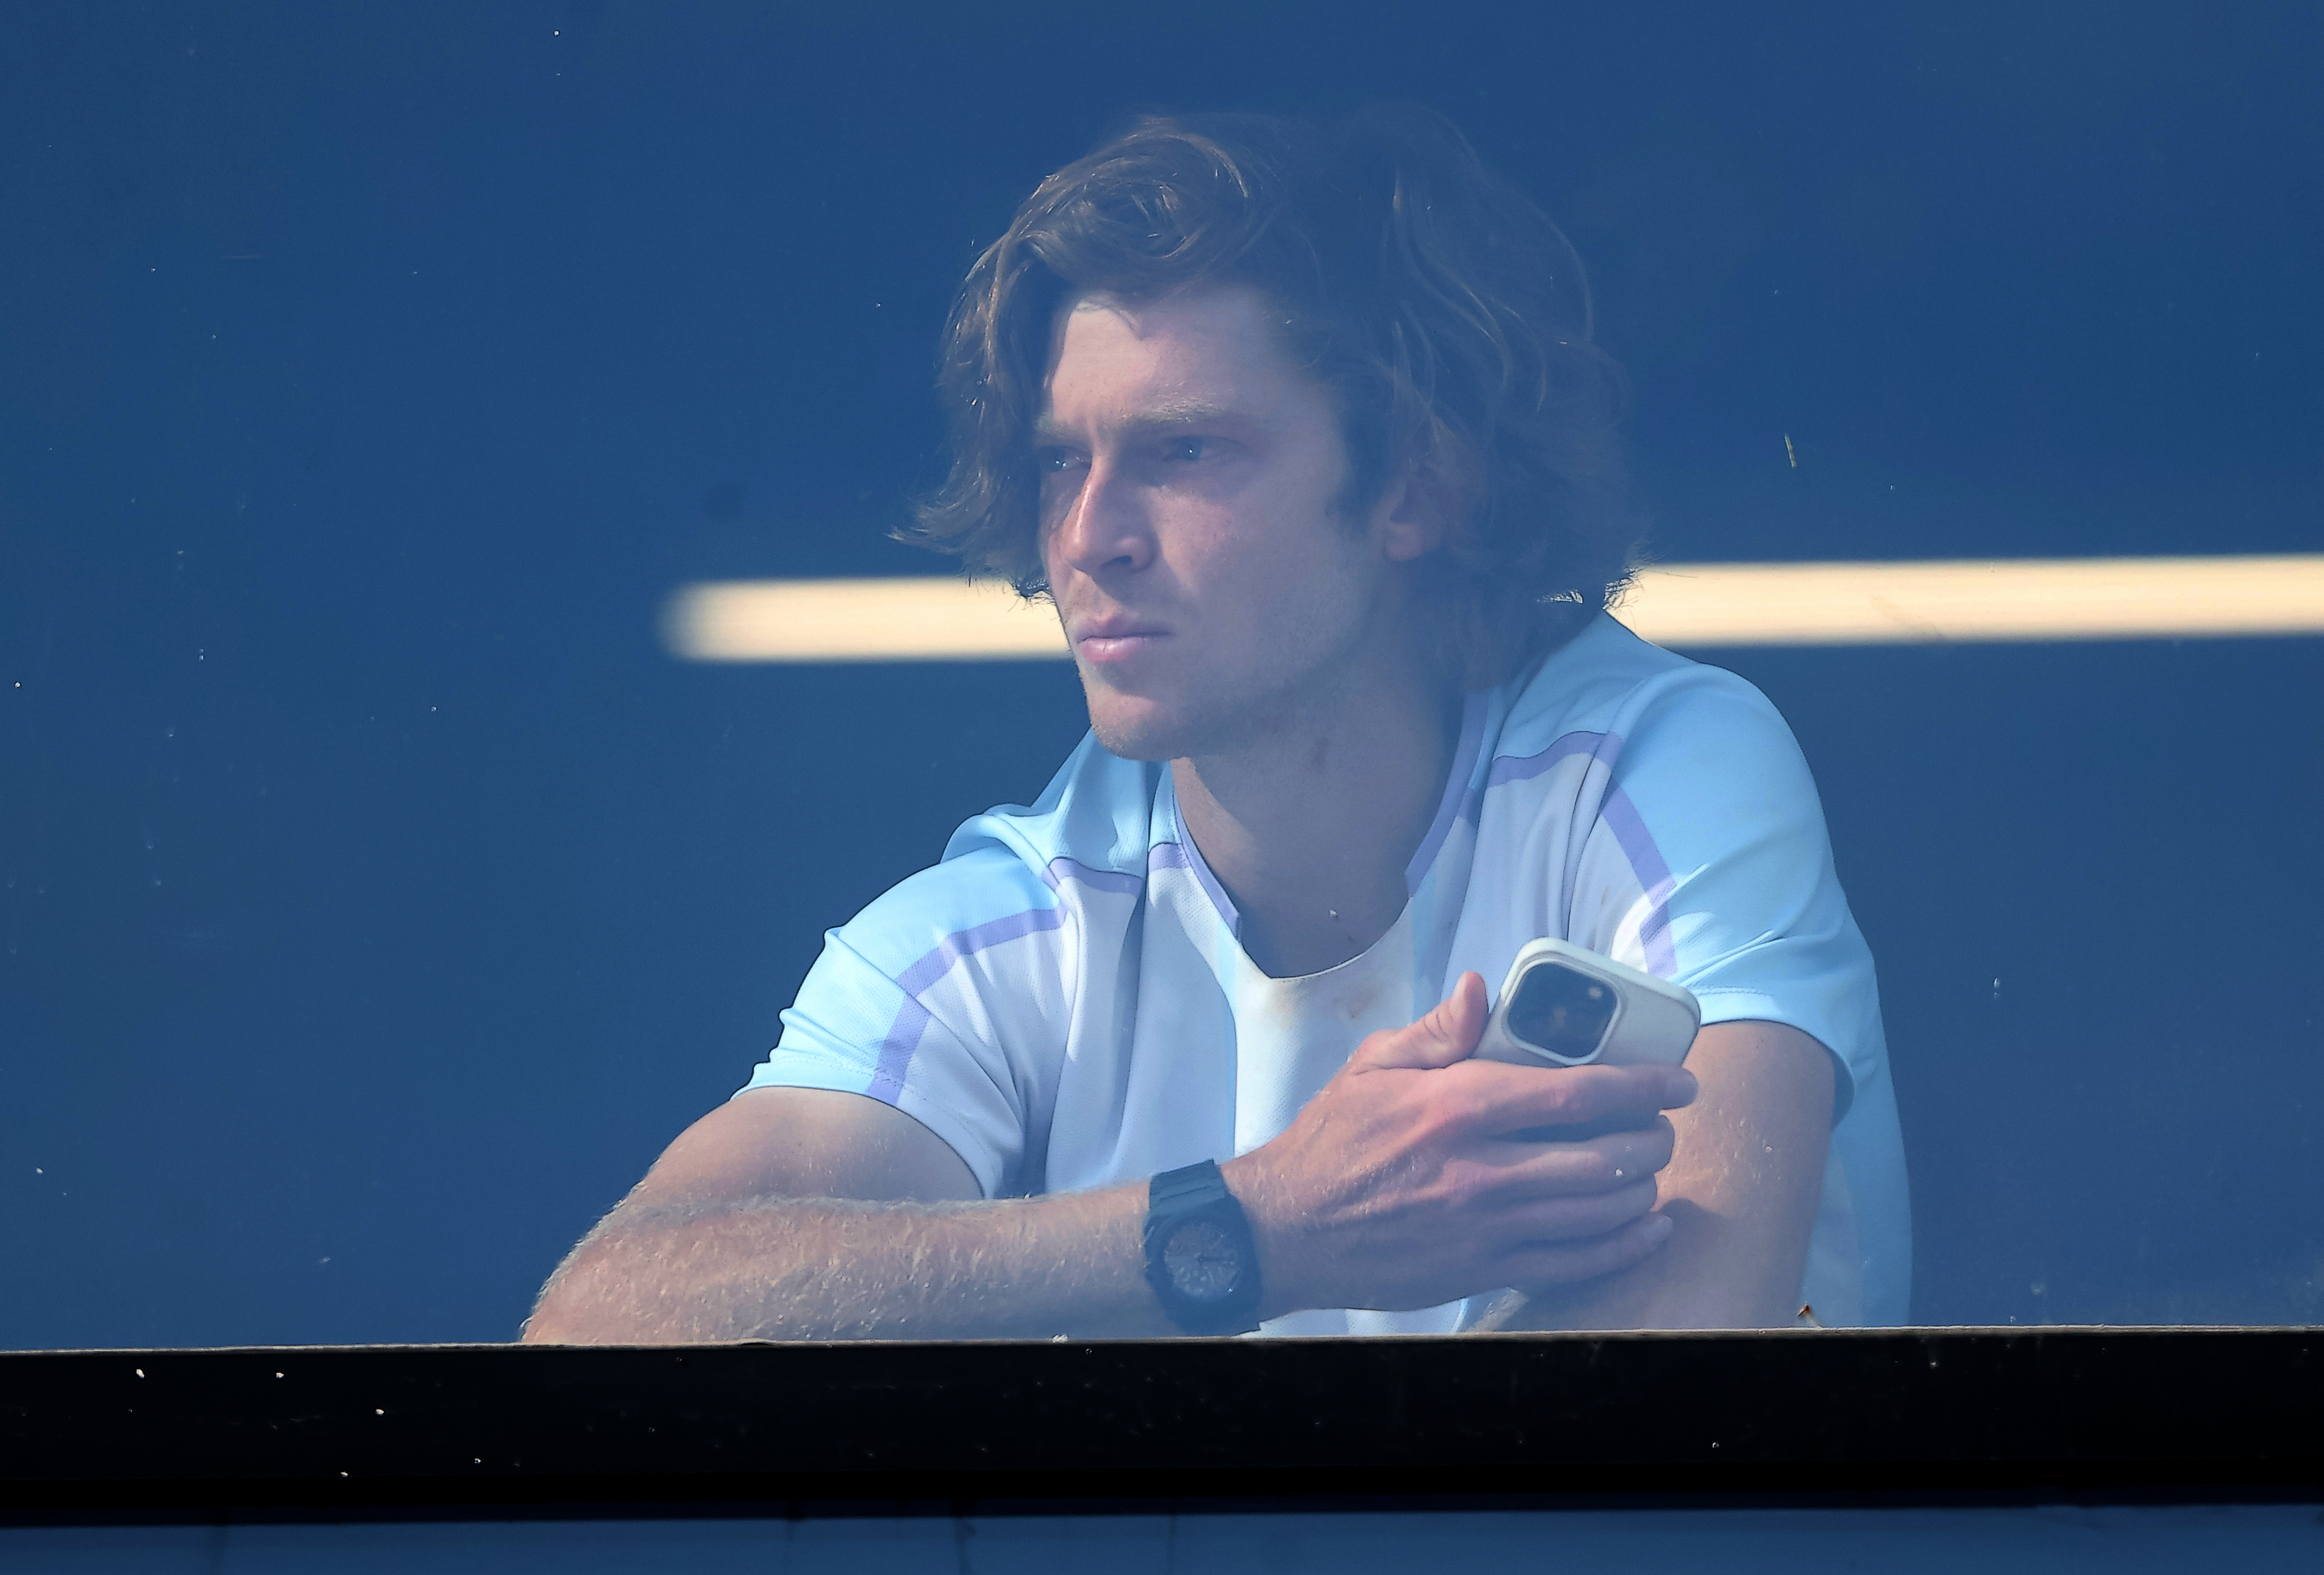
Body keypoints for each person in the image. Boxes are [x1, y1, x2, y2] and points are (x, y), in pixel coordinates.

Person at [523, 108, 1909, 1343]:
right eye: (1062, 458)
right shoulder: (1011, 924)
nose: (1086, 535)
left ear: (1417, 490)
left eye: (1184, 452)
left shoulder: (1659, 768)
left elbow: (1690, 1333)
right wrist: (1251, 1230)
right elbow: (603, 1327)